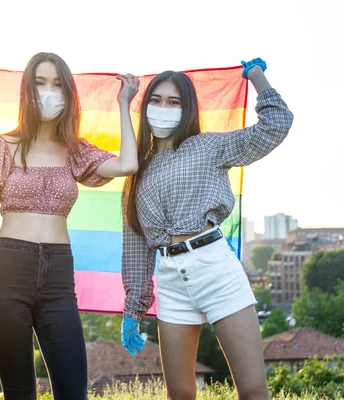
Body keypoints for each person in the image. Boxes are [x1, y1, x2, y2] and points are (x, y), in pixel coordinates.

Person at [121, 58, 293, 399]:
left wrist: (257, 77)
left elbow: (277, 125)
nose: (163, 108)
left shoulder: (209, 146)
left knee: (253, 390)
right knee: (180, 394)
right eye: (155, 100)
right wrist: (133, 308)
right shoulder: (136, 170)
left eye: (174, 102)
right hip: (171, 280)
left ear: (187, 110)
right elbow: (136, 244)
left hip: (215, 269)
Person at [0, 52, 139, 399]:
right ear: (27, 92)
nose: (49, 92)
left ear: (68, 95)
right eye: (40, 83)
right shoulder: (1, 147)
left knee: (73, 391)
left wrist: (125, 104)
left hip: (58, 276)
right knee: (19, 392)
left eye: (57, 84)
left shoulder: (76, 150)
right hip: (8, 272)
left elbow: (127, 164)